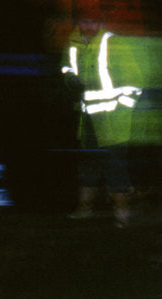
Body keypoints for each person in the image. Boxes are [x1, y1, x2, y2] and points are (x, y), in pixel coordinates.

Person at [61, 6, 143, 227]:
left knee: (116, 169)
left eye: (93, 22)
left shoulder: (114, 43)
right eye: (84, 22)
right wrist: (69, 78)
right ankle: (84, 210)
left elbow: (135, 85)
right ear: (78, 22)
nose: (89, 26)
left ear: (101, 23)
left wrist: (122, 110)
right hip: (86, 120)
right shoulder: (73, 42)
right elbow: (67, 67)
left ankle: (122, 215)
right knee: (88, 167)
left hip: (112, 123)